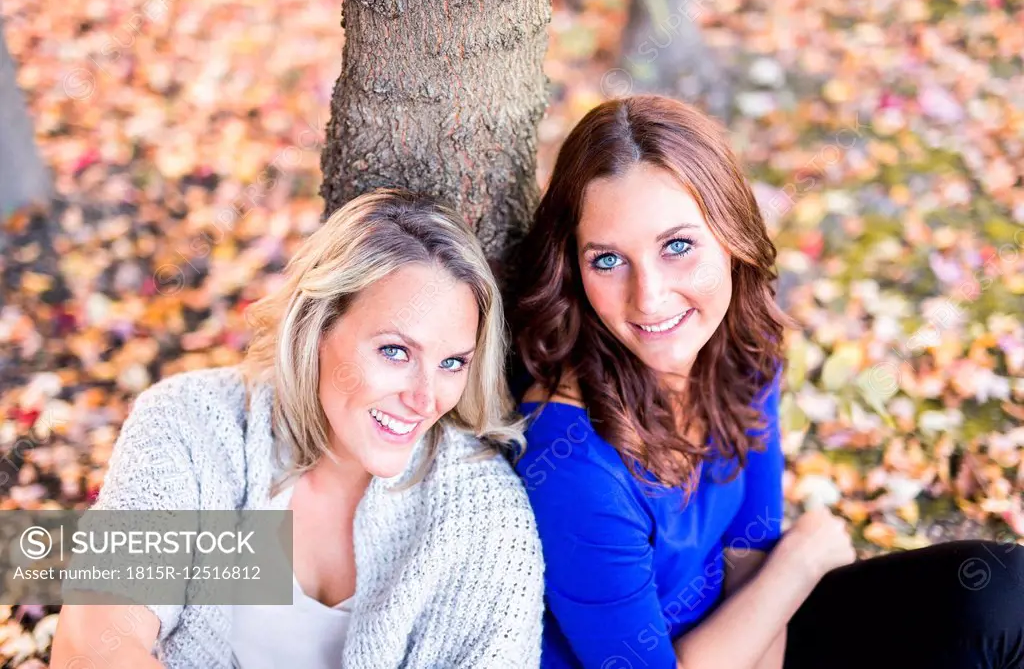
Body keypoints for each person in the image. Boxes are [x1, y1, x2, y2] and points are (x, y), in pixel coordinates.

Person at [508, 95, 1024, 669]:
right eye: (608, 260)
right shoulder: (571, 465)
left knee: (1001, 595)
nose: (648, 297)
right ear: (573, 268)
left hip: (749, 636)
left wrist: (782, 582)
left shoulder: (743, 349)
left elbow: (752, 555)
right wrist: (802, 561)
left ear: (730, 237)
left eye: (677, 246)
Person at [52, 189, 545, 668]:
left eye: (452, 362)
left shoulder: (484, 519)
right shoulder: (193, 423)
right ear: (318, 326)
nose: (424, 398)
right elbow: (90, 641)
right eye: (395, 351)